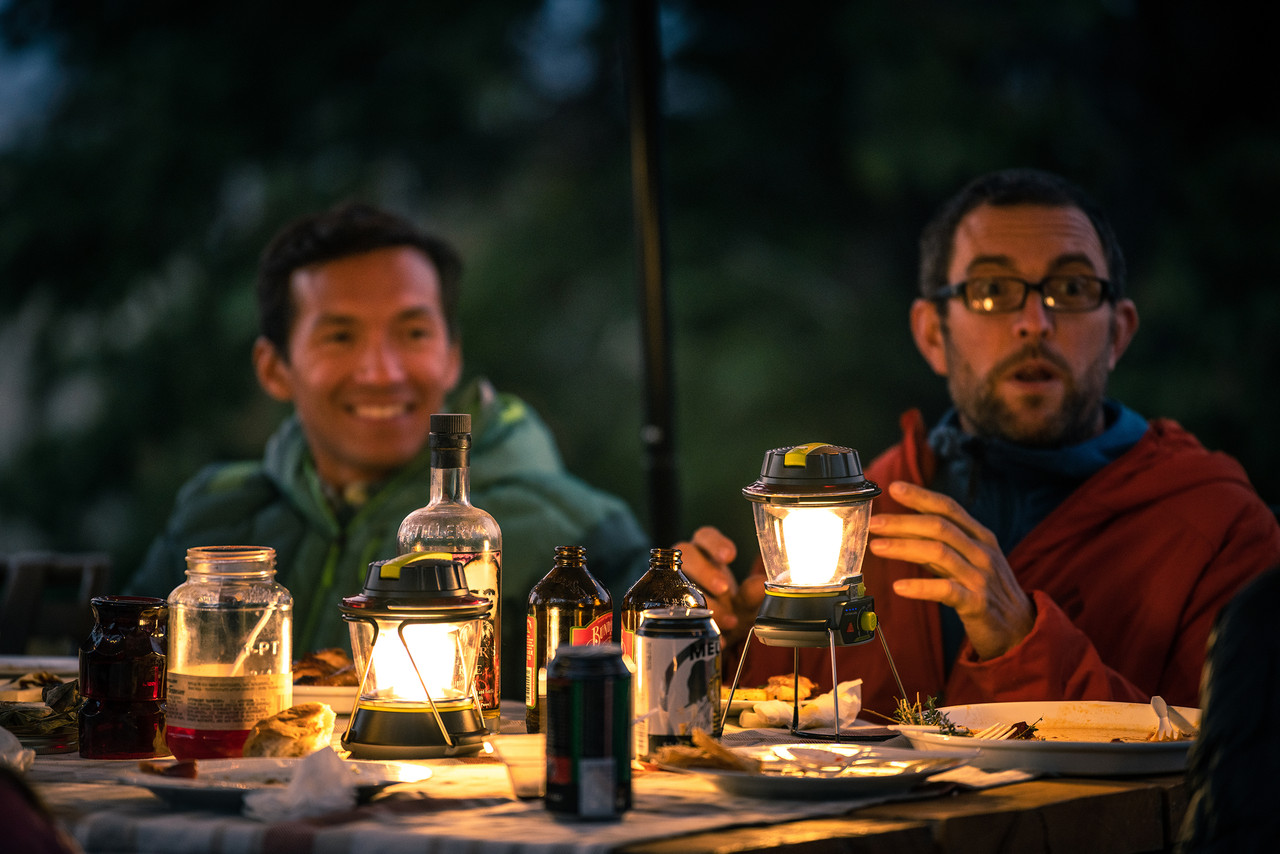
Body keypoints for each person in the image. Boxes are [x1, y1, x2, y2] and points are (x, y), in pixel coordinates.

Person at [680, 168, 1280, 719]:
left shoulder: (1218, 528)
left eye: (1071, 289)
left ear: (1118, 332)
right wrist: (712, 638)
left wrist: (1021, 641)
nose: (1035, 322)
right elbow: (769, 724)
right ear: (931, 334)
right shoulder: (852, 518)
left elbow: (1229, 781)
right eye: (992, 290)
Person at [127, 202, 651, 699]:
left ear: (452, 356)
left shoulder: (575, 530)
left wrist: (720, 623)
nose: (382, 373)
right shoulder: (213, 517)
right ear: (273, 368)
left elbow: (657, 657)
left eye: (413, 333)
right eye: (340, 337)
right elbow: (121, 657)